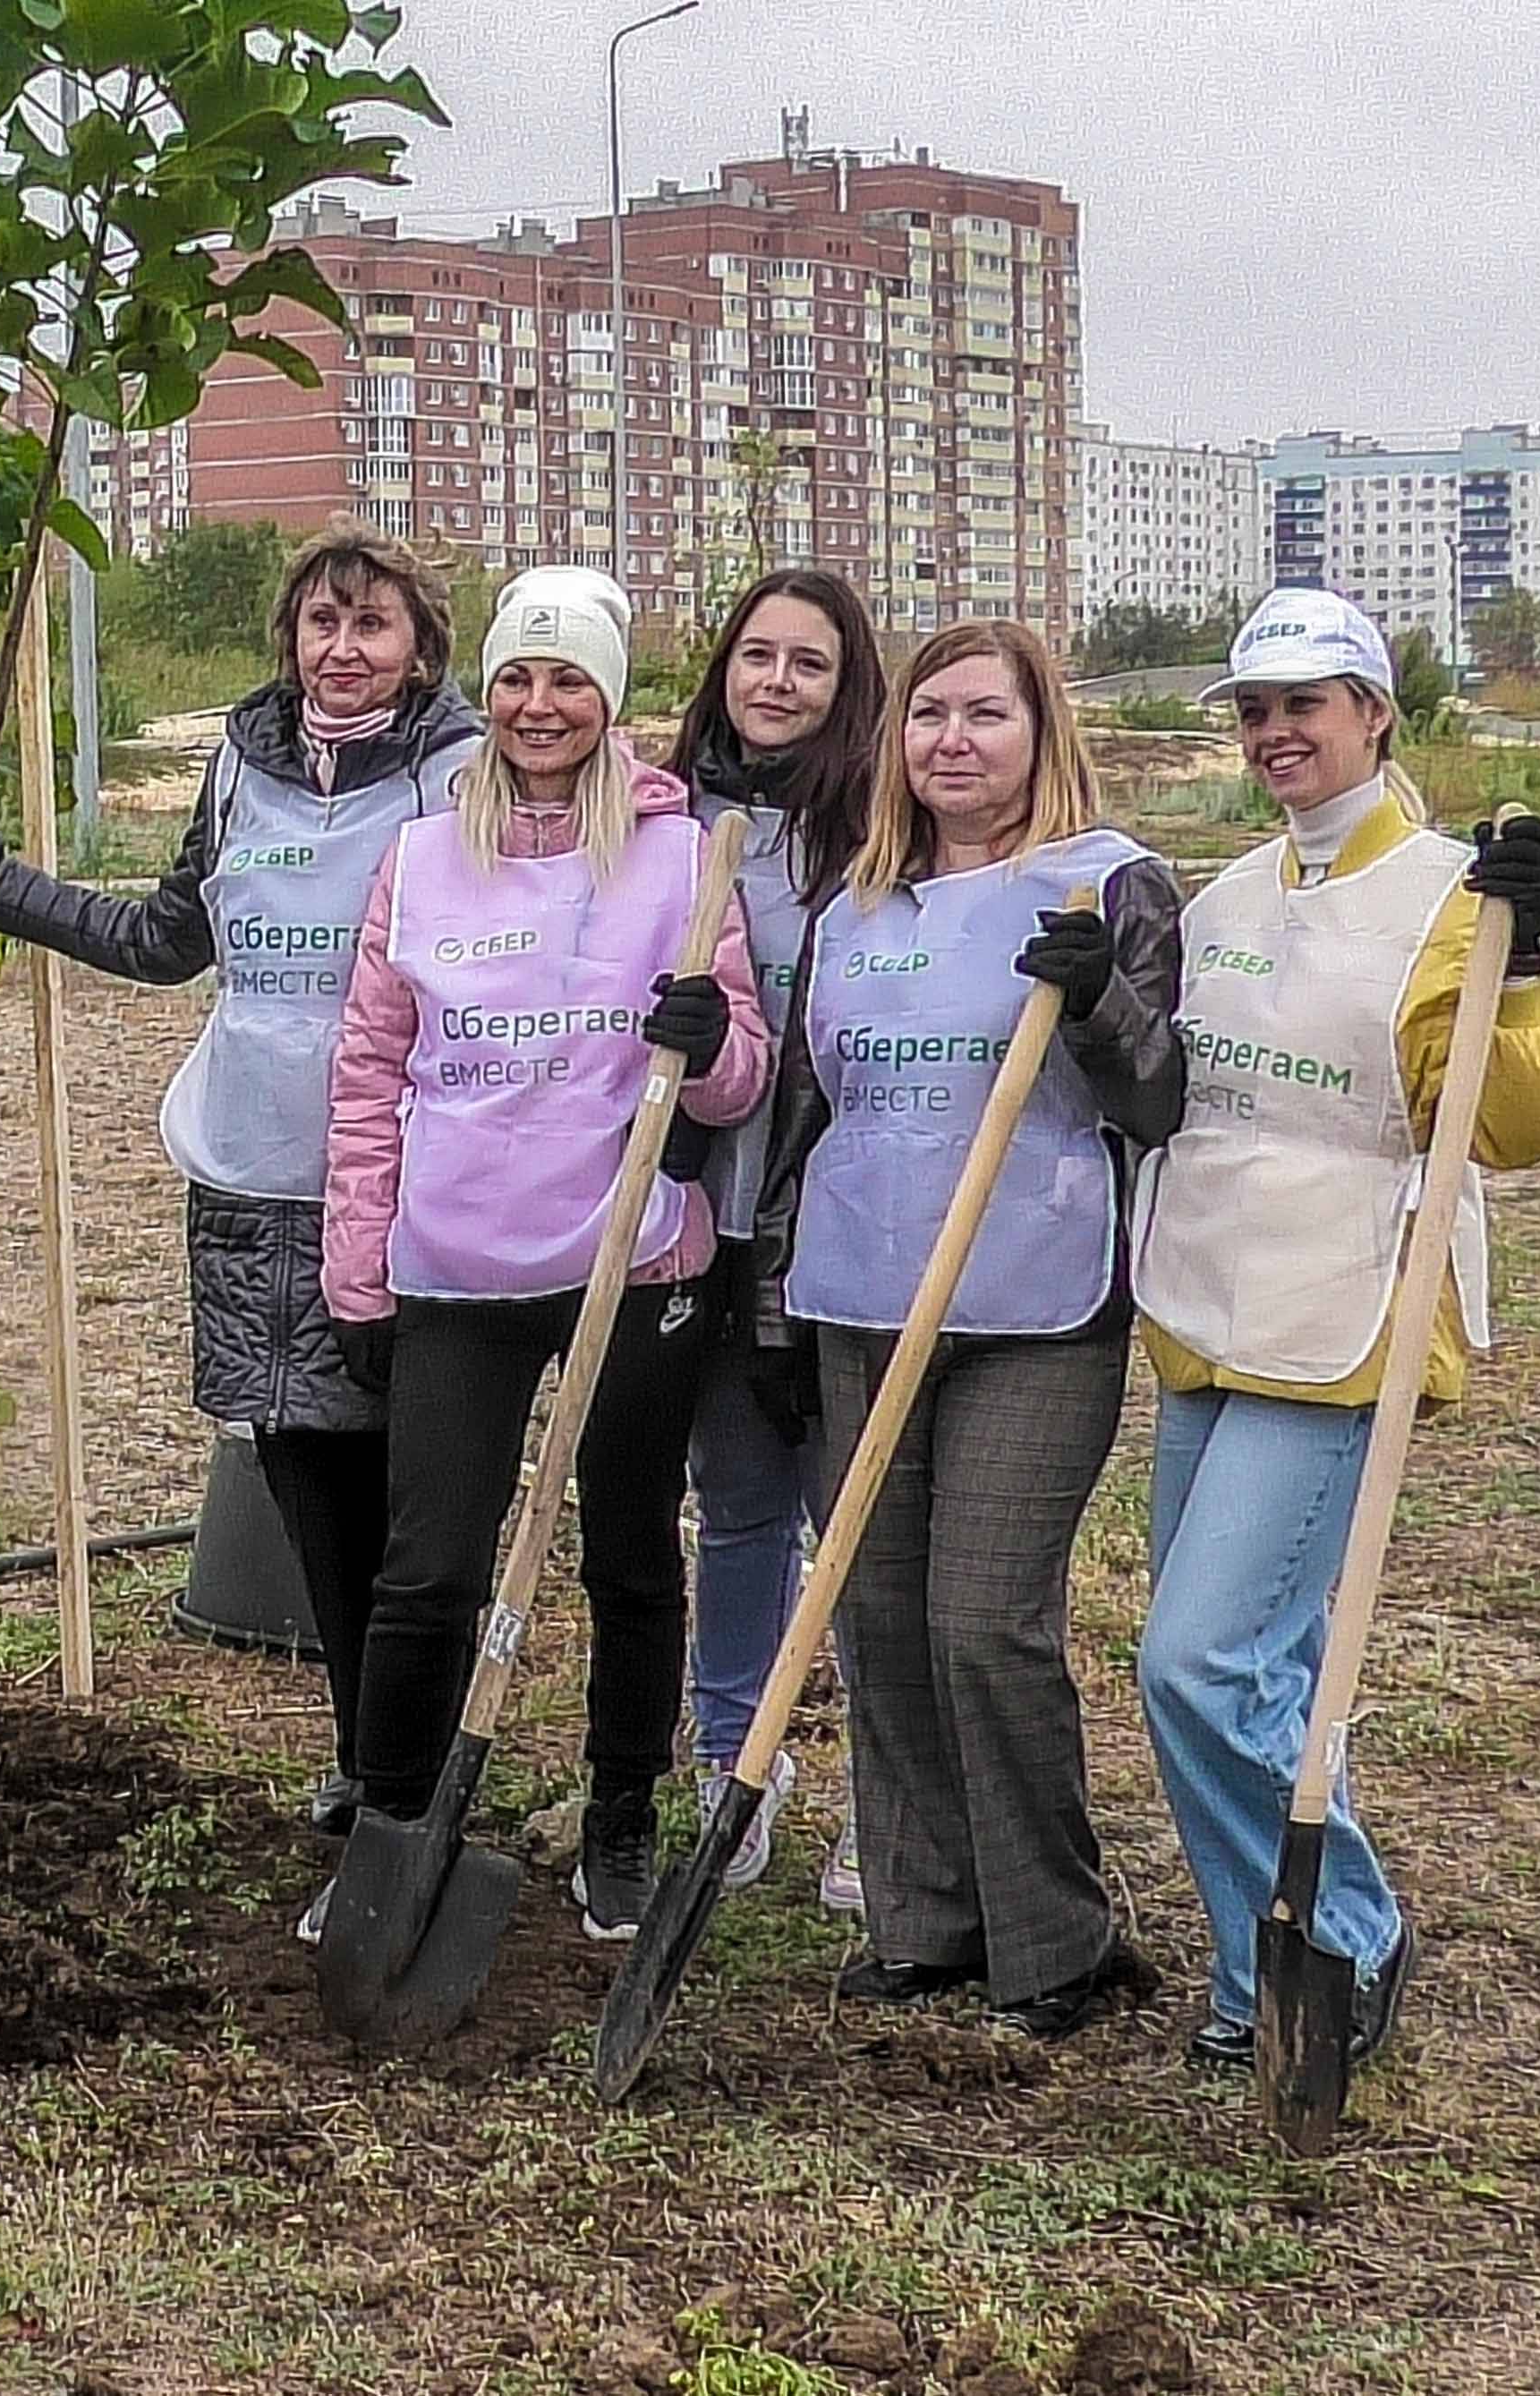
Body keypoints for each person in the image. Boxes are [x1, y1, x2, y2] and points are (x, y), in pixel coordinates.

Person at [0, 521, 478, 1889]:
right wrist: (9, 889)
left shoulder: (461, 778)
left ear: (420, 646)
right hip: (250, 1177)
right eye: (322, 623)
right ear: (291, 640)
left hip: (400, 1184)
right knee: (301, 1472)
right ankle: (367, 1763)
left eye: (372, 626)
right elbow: (173, 935)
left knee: (395, 1497)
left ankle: (406, 1775)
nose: (344, 649)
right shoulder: (239, 767)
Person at [1132, 590, 1540, 2076]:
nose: (1275, 733)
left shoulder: (1456, 894)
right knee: (1256, 1676)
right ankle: (1247, 1970)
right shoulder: (1229, 900)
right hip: (1210, 1300)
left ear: (1376, 715)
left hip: (1344, 1315)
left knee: (1194, 1663)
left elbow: (1524, 1123)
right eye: (1254, 710)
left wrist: (1518, 973)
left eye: (1305, 704)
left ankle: (1350, 1933)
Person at [319, 567, 770, 1944]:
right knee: (429, 1570)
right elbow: (369, 1067)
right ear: (488, 691)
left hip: (628, 1266)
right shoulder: (422, 855)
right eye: (518, 675)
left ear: (610, 697)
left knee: (632, 1553)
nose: (539, 703)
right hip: (457, 1266)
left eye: (571, 678)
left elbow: (743, 1078)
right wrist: (359, 1258)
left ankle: (619, 1820)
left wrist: (706, 1047)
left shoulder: (686, 856)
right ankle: (393, 1828)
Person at [749, 618, 1184, 2038]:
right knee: (874, 1617)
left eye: (984, 715)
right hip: (859, 1296)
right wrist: (768, 1304)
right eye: (928, 714)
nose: (952, 741)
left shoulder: (1110, 883)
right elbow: (806, 1119)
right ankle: (923, 1913)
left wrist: (1099, 1000)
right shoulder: (853, 910)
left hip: (1034, 1301)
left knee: (983, 1621)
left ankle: (1055, 1932)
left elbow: (1158, 1099)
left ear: (1039, 730)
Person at [668, 567, 888, 1911]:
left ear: (846, 684)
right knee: (737, 1502)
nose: (778, 683)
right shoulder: (669, 819)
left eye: (810, 663)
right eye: (758, 655)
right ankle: (729, 1765)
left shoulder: (881, 833)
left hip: (840, 1214)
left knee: (844, 1506)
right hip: (706, 1215)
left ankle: (890, 1791)